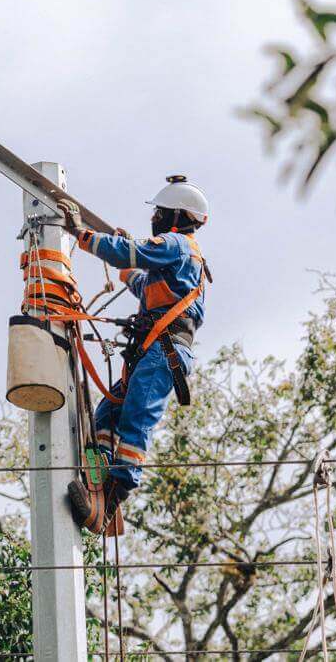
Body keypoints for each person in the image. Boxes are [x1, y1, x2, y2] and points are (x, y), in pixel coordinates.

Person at [59, 176, 210, 536]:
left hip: (164, 351)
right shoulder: (175, 262)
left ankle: (115, 492)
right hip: (153, 350)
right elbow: (141, 280)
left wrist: (85, 236)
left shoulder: (177, 244)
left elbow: (135, 253)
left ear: (175, 215)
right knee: (109, 411)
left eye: (159, 212)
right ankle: (103, 474)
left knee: (137, 415)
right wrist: (125, 261)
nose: (154, 217)